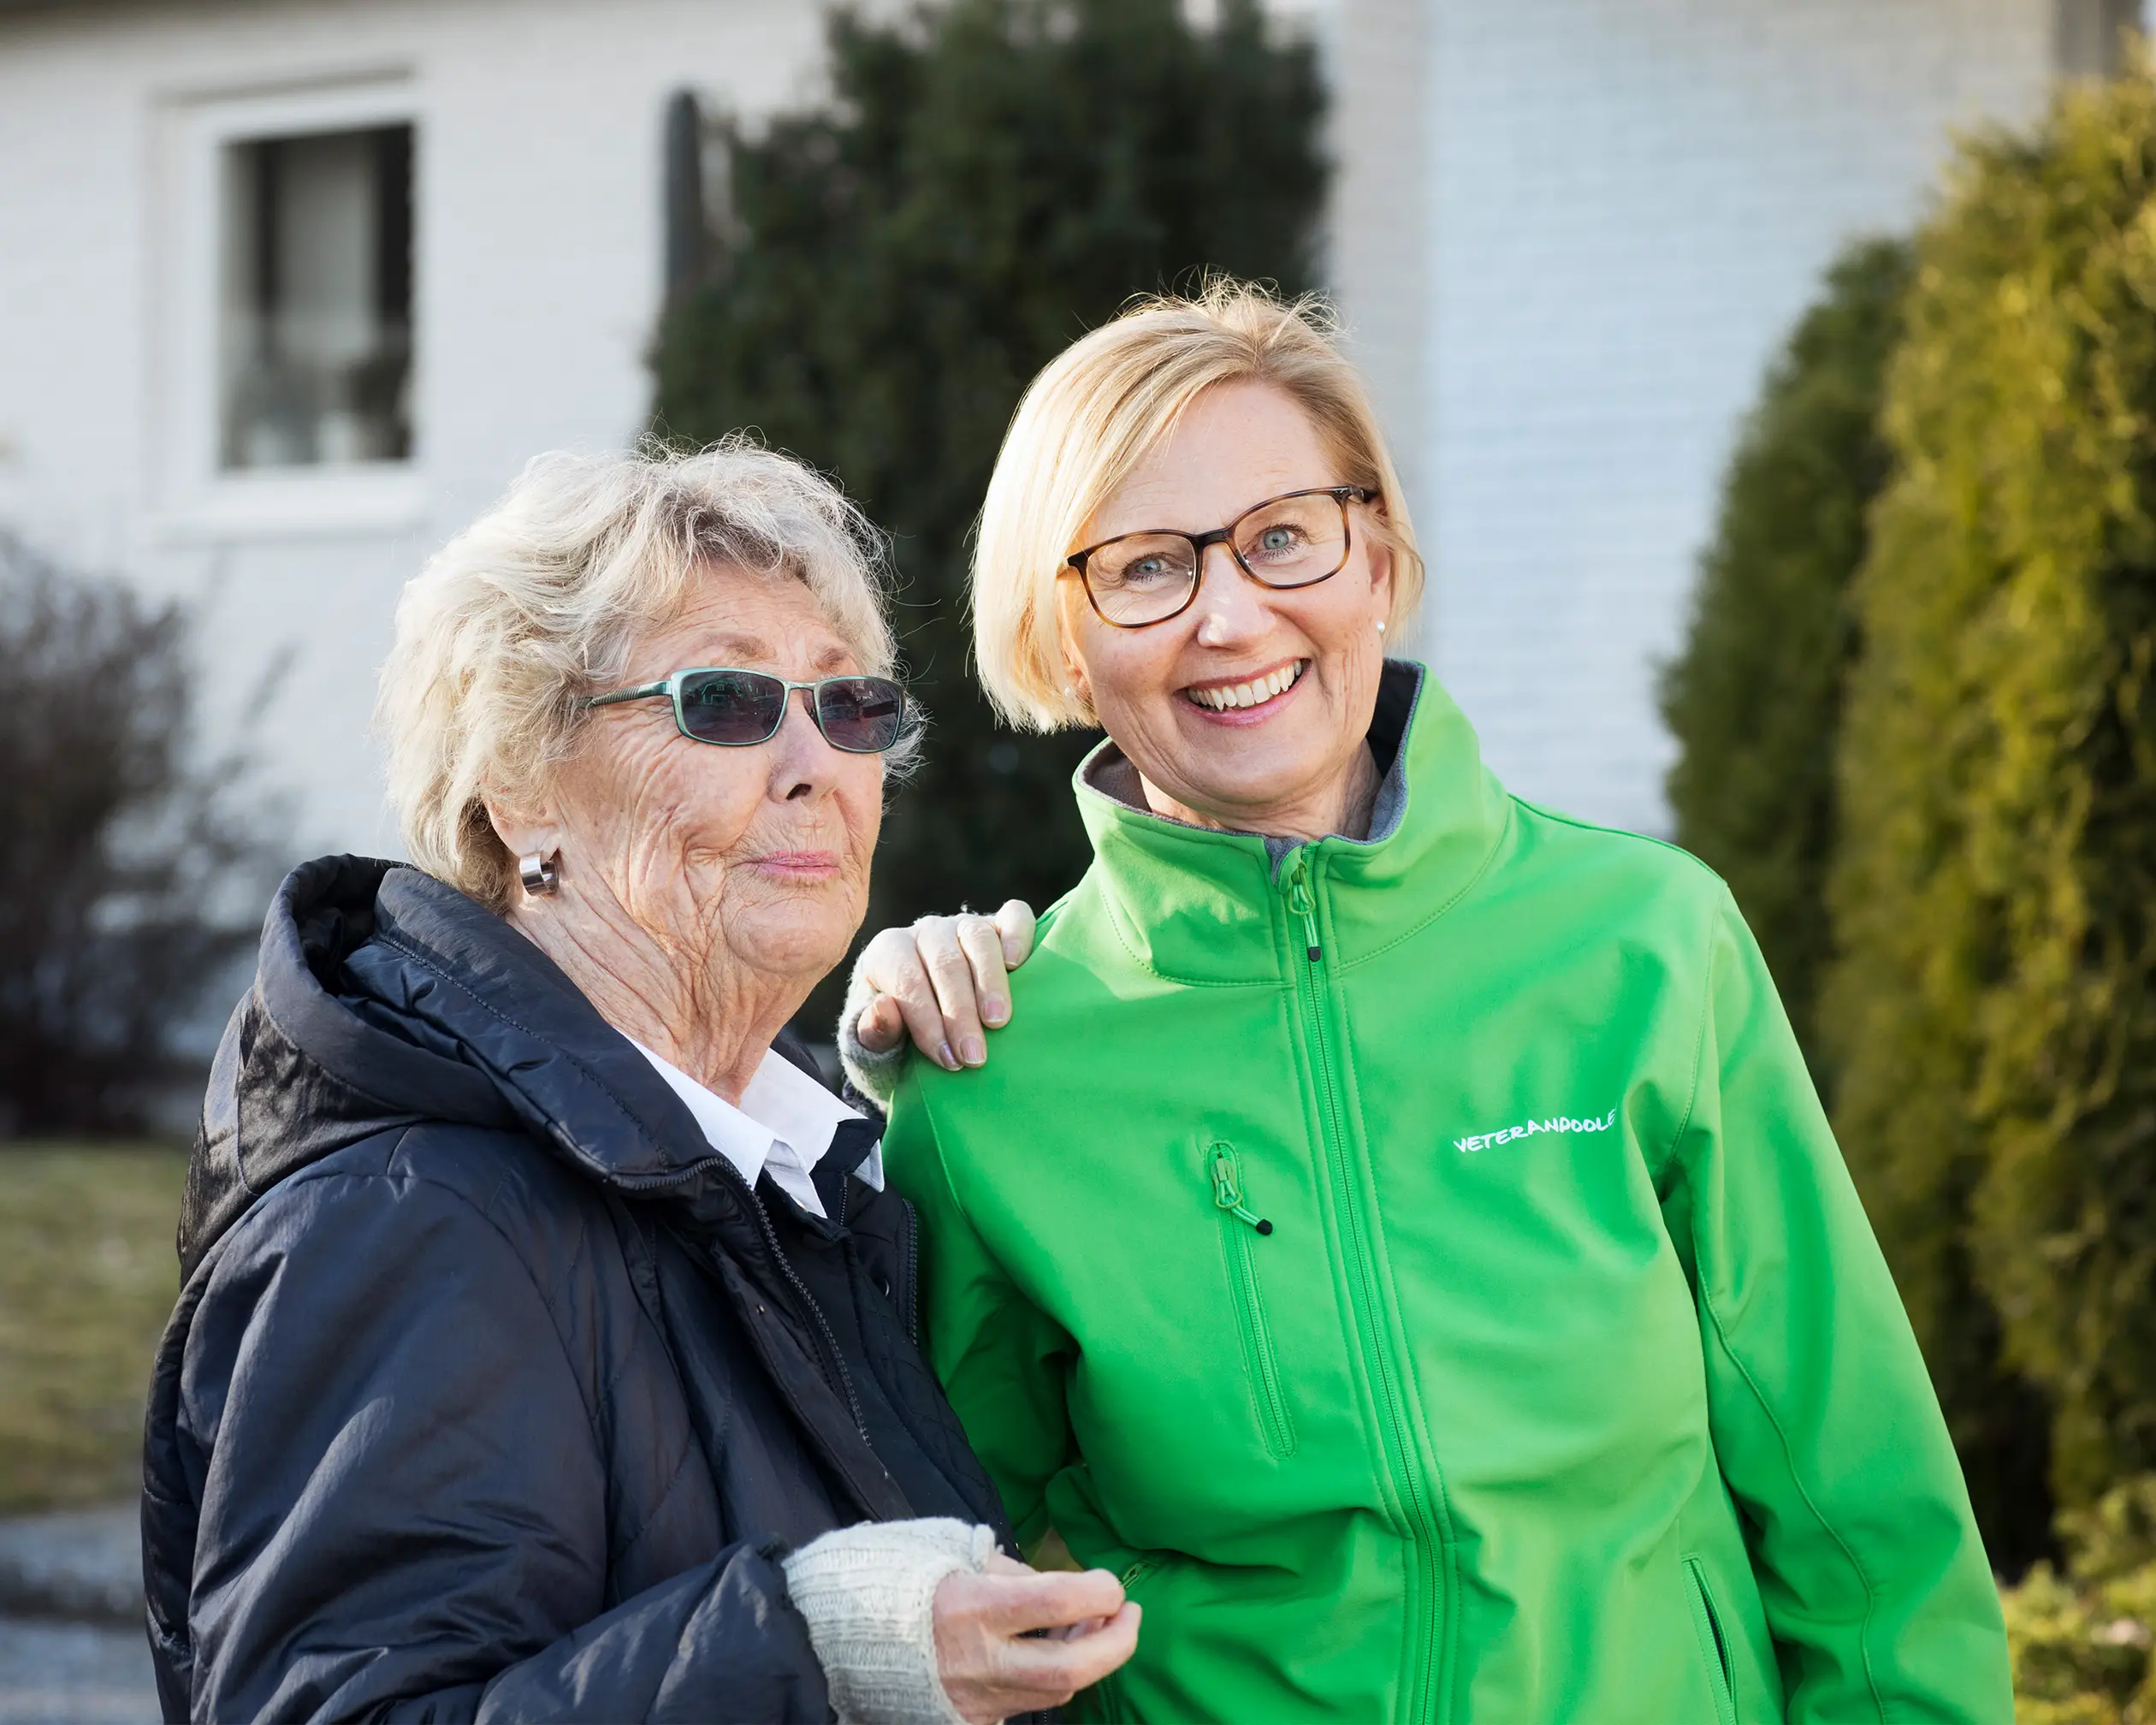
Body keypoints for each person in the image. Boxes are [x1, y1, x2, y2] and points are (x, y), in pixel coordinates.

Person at [837, 285, 2015, 1722]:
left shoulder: (1645, 945)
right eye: (1146, 568)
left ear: (1378, 560)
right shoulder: (993, 1071)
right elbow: (961, 1589)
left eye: (1284, 536)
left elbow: (1854, 1492)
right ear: (1066, 643)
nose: (1230, 615)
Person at [139, 444, 1137, 1723]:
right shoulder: (412, 1215)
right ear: (520, 788)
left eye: (848, 705)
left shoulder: (795, 1168)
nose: (815, 764)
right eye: (724, 701)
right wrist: (815, 1648)